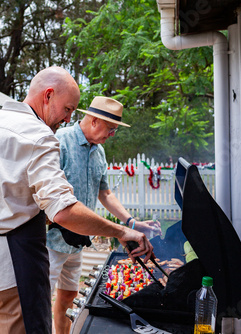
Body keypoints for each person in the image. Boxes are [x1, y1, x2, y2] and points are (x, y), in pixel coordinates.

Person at [0, 66, 154, 334]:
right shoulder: (41, 136)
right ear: (48, 95)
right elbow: (62, 210)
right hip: (13, 272)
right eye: (67, 109)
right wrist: (121, 230)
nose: (67, 119)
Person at [47, 96, 162, 334]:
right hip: (51, 239)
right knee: (38, 300)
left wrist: (131, 222)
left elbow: (105, 193)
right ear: (95, 121)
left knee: (68, 295)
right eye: (111, 129)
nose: (112, 135)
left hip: (78, 239)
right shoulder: (60, 141)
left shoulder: (99, 152)